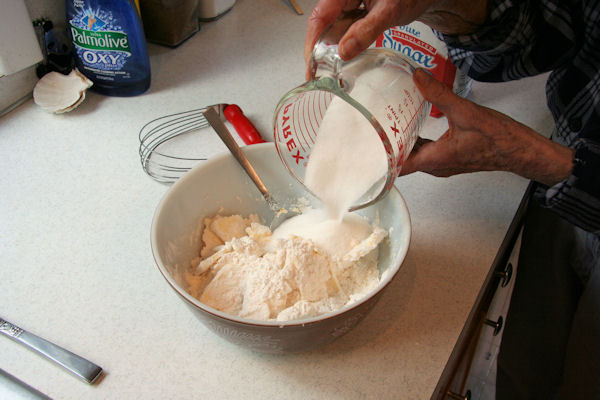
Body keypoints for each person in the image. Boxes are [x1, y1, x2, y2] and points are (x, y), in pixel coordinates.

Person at [304, 1, 600, 399]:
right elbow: (550, 26)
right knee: (529, 360)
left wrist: (531, 155)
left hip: (574, 173)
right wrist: (448, 6)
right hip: (569, 153)